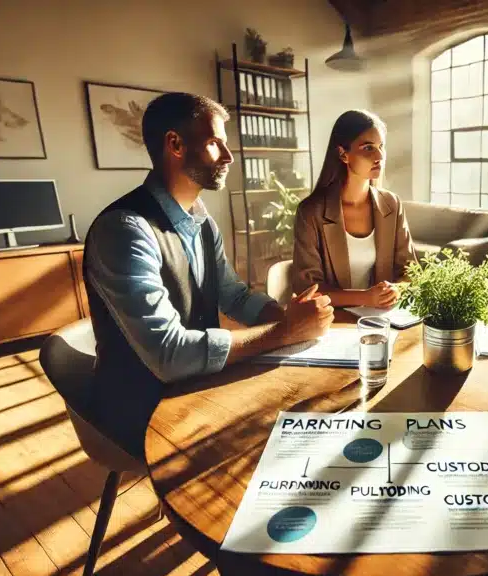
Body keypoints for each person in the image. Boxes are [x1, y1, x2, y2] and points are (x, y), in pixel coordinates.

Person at [83, 92, 334, 459]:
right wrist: (285, 331)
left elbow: (234, 295)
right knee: (283, 438)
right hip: (141, 409)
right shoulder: (124, 230)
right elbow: (169, 354)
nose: (229, 156)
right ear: (175, 145)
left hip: (195, 385)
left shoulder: (201, 221)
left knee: (311, 415)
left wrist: (290, 317)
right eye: (215, 143)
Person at [291, 109, 416, 308]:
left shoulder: (392, 205)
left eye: (381, 146)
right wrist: (365, 298)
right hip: (333, 318)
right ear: (343, 154)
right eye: (368, 148)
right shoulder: (311, 212)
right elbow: (308, 288)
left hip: (381, 317)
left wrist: (396, 290)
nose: (379, 156)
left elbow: (411, 272)